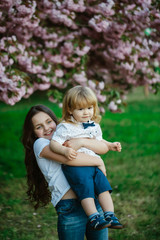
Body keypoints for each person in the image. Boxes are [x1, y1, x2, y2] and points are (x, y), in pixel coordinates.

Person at [22, 104, 114, 240]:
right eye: (39, 127)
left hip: (94, 201)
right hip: (71, 208)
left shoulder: (67, 135)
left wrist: (82, 141)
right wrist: (98, 161)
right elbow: (70, 160)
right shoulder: (40, 144)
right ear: (34, 133)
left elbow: (102, 146)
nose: (47, 128)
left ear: (55, 121)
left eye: (48, 122)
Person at [50, 86, 123, 230]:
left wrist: (110, 145)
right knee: (86, 188)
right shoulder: (65, 127)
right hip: (76, 164)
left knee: (103, 187)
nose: (86, 112)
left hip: (93, 164)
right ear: (70, 109)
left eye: (90, 108)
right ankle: (94, 217)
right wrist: (64, 150)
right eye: (81, 109)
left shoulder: (93, 125)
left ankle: (110, 215)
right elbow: (54, 143)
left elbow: (98, 141)